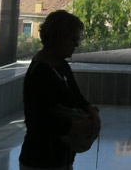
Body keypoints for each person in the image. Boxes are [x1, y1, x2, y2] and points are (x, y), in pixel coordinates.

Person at [19, 10, 100, 170]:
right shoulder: (41, 72)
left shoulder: (60, 64)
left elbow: (77, 97)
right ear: (59, 38)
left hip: (59, 157)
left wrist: (91, 110)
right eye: (73, 39)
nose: (76, 45)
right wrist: (79, 126)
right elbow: (39, 121)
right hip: (41, 160)